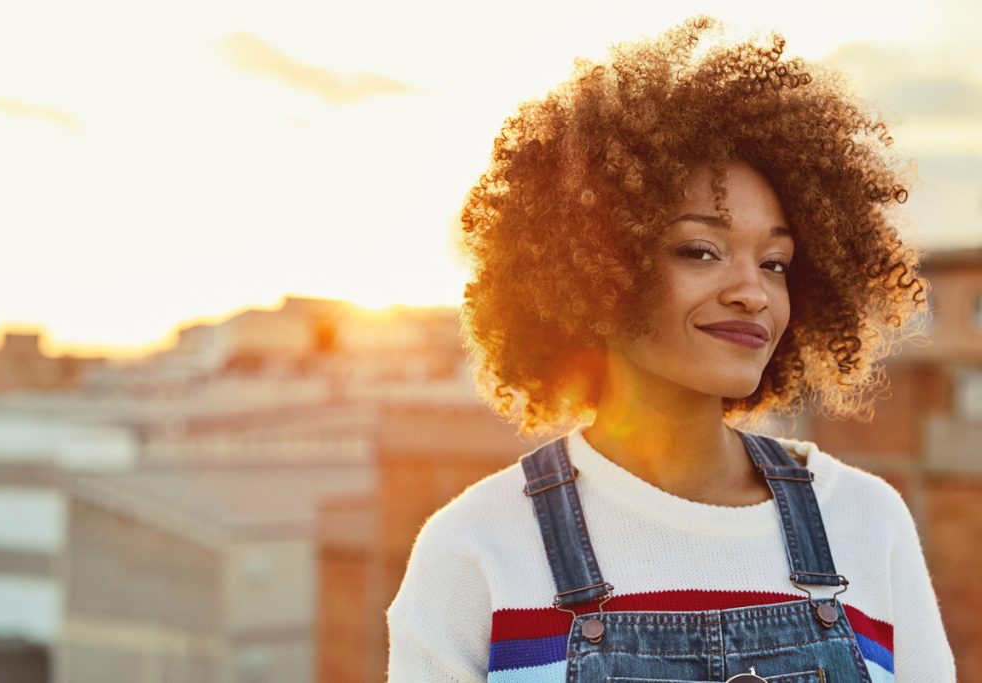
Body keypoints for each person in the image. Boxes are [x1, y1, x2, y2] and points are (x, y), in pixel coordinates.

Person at [386, 16, 956, 682]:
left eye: (776, 262)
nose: (753, 292)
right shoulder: (475, 549)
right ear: (595, 265)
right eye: (701, 250)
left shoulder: (864, 521)